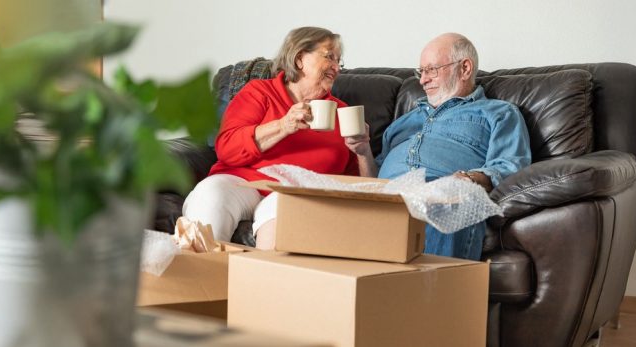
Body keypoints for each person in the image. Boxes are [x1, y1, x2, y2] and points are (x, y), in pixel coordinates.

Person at [183, 27, 371, 249]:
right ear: (299, 58)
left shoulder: (343, 112)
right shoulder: (259, 93)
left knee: (284, 210)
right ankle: (199, 277)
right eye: (329, 56)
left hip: (297, 193)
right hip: (241, 183)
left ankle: (266, 281)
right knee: (211, 194)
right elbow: (227, 147)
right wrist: (283, 125)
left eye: (339, 61)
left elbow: (363, 187)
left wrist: (364, 152)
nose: (337, 67)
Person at [350, 33, 531, 260]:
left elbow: (511, 164)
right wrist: (363, 150)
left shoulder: (498, 113)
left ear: (465, 68)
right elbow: (373, 182)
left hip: (441, 195)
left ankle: (430, 291)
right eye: (421, 72)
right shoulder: (402, 123)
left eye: (431, 70)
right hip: (388, 199)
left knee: (454, 202)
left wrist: (470, 178)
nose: (422, 80)